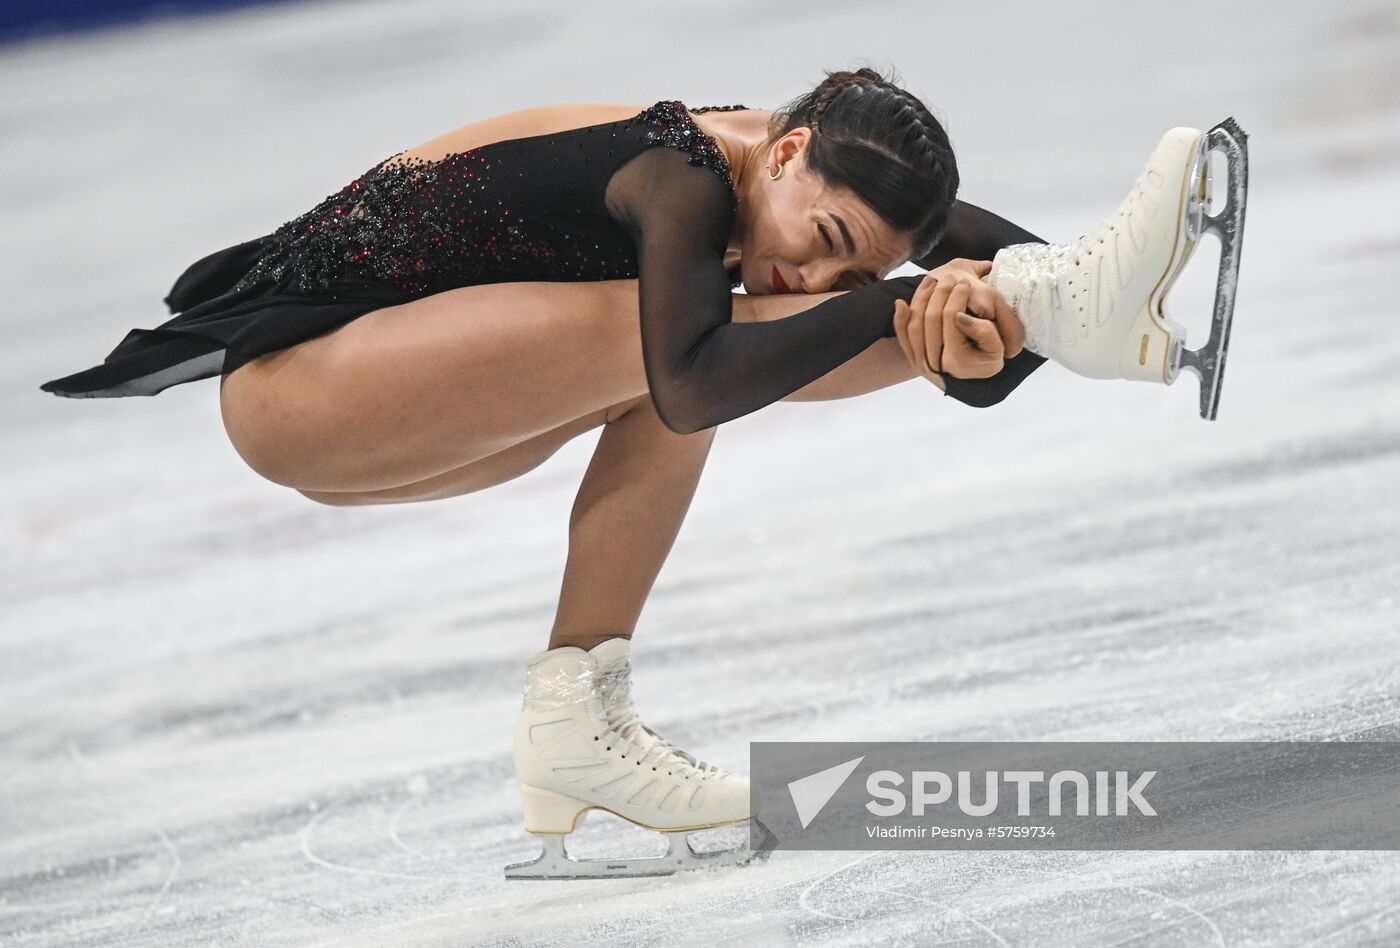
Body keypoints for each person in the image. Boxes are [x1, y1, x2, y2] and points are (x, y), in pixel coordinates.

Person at [39, 66, 1235, 878]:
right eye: (821, 244)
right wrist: (909, 303)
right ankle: (1050, 313)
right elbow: (701, 385)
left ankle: (574, 720)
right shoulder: (685, 174)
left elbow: (934, 322)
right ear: (790, 148)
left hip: (412, 408)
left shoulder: (808, 189)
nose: (816, 275)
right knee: (692, 338)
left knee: (734, 330)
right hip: (300, 390)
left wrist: (977, 315)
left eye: (849, 262)